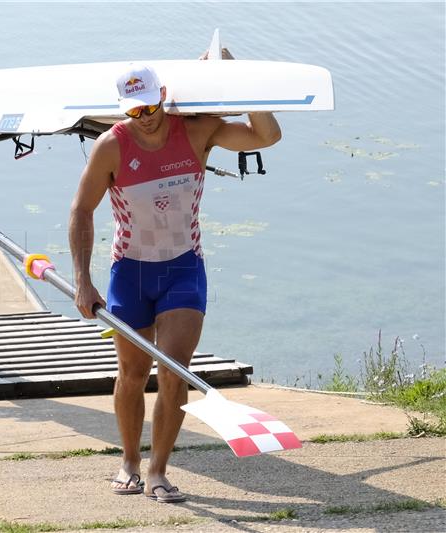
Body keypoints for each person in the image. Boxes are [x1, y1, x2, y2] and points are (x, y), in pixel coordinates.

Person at [69, 58, 281, 502]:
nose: (142, 118)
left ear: (162, 96)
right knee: (131, 372)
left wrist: (241, 76)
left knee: (174, 372)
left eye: (148, 107)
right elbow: (81, 211)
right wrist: (83, 281)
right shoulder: (111, 146)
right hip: (130, 272)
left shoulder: (199, 131)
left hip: (184, 268)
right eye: (133, 111)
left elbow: (267, 135)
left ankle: (158, 470)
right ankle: (128, 459)